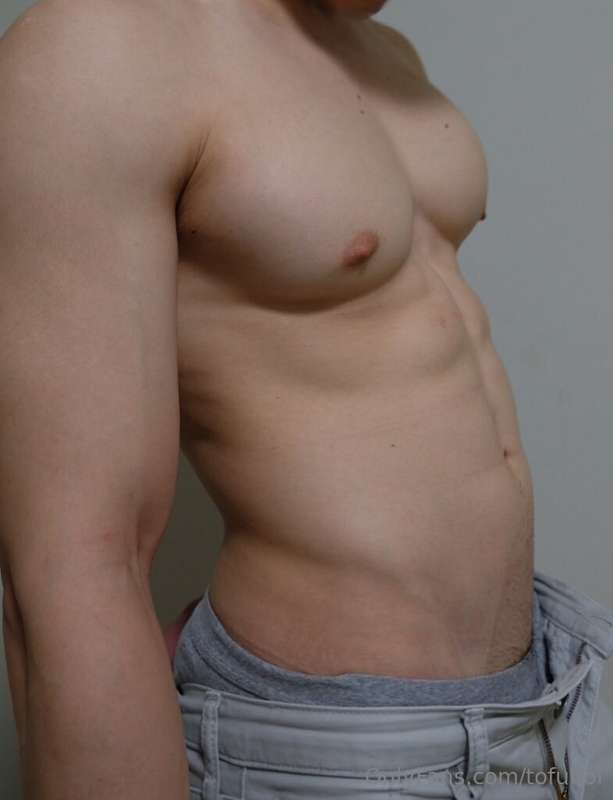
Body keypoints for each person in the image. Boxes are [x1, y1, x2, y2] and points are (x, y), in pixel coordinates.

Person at [0, 0, 612, 798]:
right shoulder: (100, 47)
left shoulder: (383, 51)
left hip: (550, 696)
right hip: (335, 750)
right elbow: (75, 561)